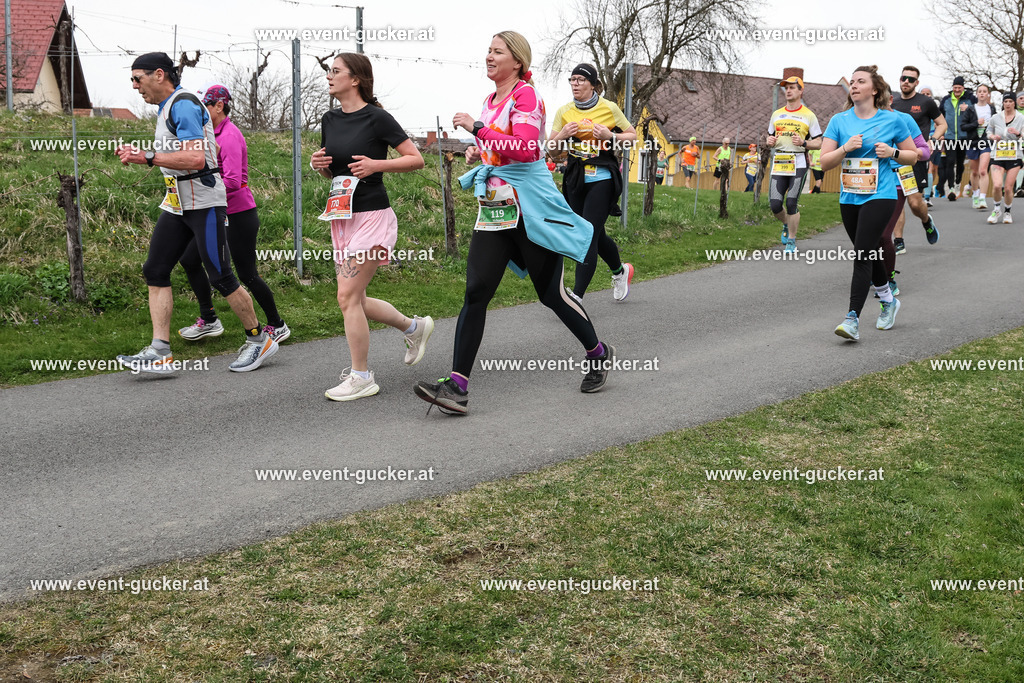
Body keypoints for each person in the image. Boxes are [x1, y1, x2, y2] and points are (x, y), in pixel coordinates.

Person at [414, 31, 614, 415]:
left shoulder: (526, 95)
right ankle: (457, 385)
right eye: (488, 50)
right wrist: (481, 150)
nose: (489, 56)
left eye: (497, 51)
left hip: (529, 208)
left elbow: (525, 148)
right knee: (476, 292)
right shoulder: (491, 100)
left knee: (550, 294)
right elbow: (502, 146)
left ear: (517, 62)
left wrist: (477, 130)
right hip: (495, 208)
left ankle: (598, 352)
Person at [115, 52, 278, 374]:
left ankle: (259, 339)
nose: (134, 86)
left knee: (221, 275)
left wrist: (146, 157)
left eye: (137, 78)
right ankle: (160, 350)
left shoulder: (184, 104)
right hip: (177, 204)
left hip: (203, 202)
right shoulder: (167, 108)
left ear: (159, 74)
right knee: (155, 269)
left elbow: (196, 160)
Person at [310, 53, 434, 401]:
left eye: (336, 72)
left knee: (346, 296)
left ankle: (362, 376)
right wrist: (319, 165)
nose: (329, 77)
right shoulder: (329, 119)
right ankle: (414, 327)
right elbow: (334, 170)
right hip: (341, 217)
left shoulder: (377, 118)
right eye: (329, 72)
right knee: (357, 299)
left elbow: (416, 158)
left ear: (355, 80)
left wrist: (377, 164)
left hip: (373, 217)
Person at [176, 85, 290, 345]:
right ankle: (209, 319)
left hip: (238, 214)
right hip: (213, 210)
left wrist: (204, 191)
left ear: (219, 106)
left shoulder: (228, 136)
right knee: (190, 259)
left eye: (206, 105)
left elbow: (234, 180)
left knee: (246, 273)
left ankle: (277, 324)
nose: (202, 110)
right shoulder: (210, 133)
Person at [819, 65, 917, 341]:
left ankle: (852, 319)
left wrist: (893, 151)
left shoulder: (892, 120)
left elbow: (914, 155)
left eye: (860, 81)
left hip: (881, 195)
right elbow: (824, 162)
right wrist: (845, 148)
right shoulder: (839, 121)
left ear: (874, 90)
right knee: (870, 251)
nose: (854, 85)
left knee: (862, 254)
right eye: (852, 81)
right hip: (849, 197)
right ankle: (888, 300)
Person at [550, 62, 637, 301]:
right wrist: (562, 135)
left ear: (593, 84)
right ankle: (621, 272)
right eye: (572, 80)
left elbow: (632, 136)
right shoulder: (564, 111)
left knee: (586, 233)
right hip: (576, 179)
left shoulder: (608, 108)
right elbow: (552, 151)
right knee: (595, 234)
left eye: (580, 80)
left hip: (602, 177)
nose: (575, 84)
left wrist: (612, 136)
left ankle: (576, 296)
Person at [766, 75, 823, 253]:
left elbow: (819, 142)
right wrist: (770, 140)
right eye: (786, 88)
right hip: (780, 161)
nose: (788, 90)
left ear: (800, 91)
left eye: (792, 87)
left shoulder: (809, 115)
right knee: (775, 205)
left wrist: (804, 143)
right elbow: (769, 136)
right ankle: (786, 223)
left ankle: (791, 240)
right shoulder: (777, 114)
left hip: (798, 161)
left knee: (791, 202)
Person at [891, 66, 943, 254]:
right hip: (895, 159)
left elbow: (942, 124)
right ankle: (898, 240)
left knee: (914, 202)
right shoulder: (893, 103)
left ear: (917, 83)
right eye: (904, 78)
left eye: (911, 79)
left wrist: (933, 140)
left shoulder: (926, 102)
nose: (906, 81)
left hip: (917, 157)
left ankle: (926, 221)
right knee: (897, 200)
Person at [984, 92, 1024, 224]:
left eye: (1010, 101)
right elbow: (988, 131)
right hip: (998, 155)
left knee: (1008, 188)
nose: (1007, 104)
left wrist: (1018, 134)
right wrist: (992, 137)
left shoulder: (1021, 118)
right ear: (1003, 103)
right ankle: (996, 210)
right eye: (1005, 101)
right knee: (996, 186)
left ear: (1014, 103)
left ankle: (1007, 212)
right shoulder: (996, 117)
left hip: (1014, 156)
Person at [938, 76, 971, 200]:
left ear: (963, 88)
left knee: (960, 162)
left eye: (959, 87)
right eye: (955, 87)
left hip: (963, 136)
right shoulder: (946, 100)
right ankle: (951, 187)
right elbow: (939, 115)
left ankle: (958, 183)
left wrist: (968, 109)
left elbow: (974, 114)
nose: (957, 90)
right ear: (952, 88)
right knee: (950, 161)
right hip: (949, 136)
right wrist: (941, 133)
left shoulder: (969, 99)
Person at [965, 84, 994, 210]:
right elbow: (963, 126)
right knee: (975, 172)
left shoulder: (992, 109)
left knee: (983, 170)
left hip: (986, 142)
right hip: (972, 142)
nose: (982, 93)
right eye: (980, 91)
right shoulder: (970, 109)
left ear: (988, 94)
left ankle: (983, 198)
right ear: (977, 94)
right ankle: (975, 195)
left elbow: (996, 124)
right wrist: (976, 123)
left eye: (984, 91)